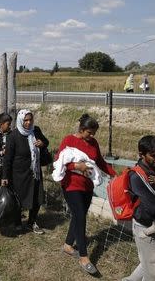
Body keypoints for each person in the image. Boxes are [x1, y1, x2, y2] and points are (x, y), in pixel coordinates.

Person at [56, 114, 116, 275]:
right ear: (81, 130)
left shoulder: (93, 143)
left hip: (87, 186)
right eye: (89, 133)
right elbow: (59, 161)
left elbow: (100, 162)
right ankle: (84, 256)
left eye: (94, 133)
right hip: (71, 186)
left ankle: (68, 245)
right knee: (81, 217)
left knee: (78, 215)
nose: (92, 136)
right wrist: (76, 165)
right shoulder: (69, 140)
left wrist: (114, 173)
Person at [123, 135, 155, 281]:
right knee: (153, 271)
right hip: (145, 227)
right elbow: (152, 207)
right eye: (154, 156)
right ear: (141, 155)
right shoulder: (137, 176)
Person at [1, 109, 49, 234]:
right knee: (18, 200)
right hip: (19, 174)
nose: (28, 123)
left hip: (35, 172)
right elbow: (7, 159)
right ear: (20, 121)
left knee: (36, 198)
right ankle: (17, 222)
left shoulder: (36, 131)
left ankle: (31, 222)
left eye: (30, 119)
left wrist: (42, 143)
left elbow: (46, 142)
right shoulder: (13, 136)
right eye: (25, 120)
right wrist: (5, 176)